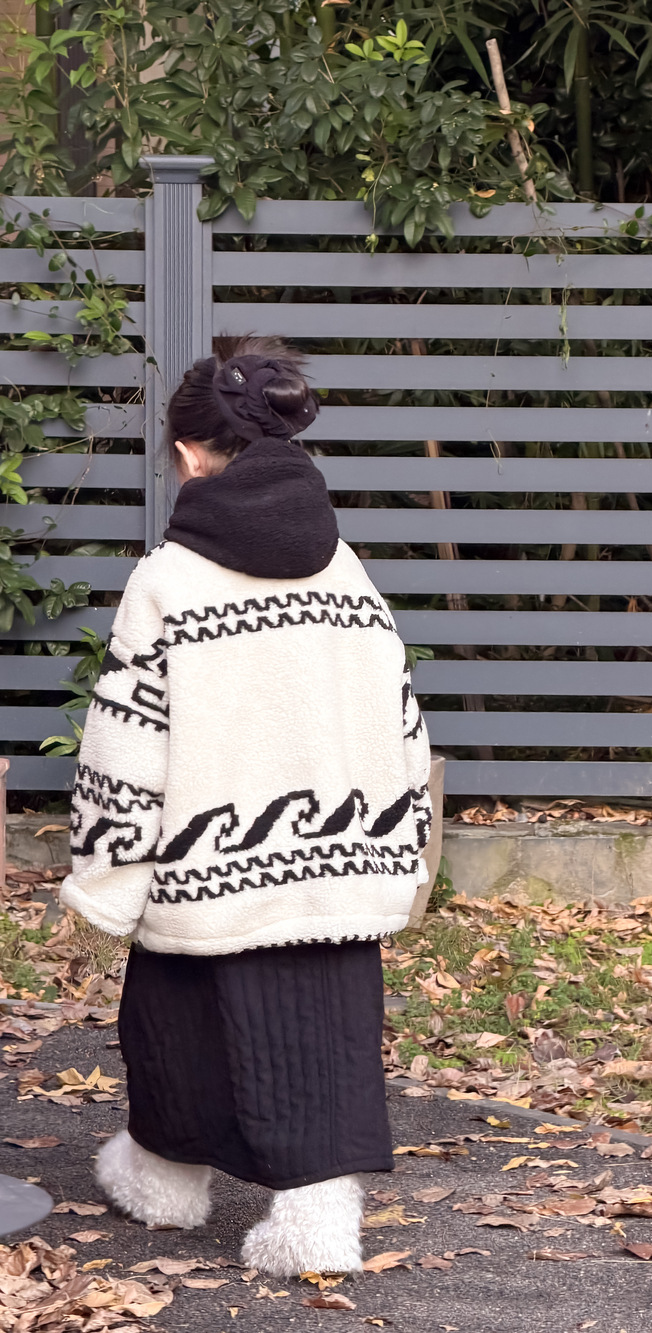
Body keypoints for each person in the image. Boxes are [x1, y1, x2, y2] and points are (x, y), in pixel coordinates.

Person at [59, 336, 432, 1277]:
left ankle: (189, 1189)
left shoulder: (169, 579)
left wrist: (108, 876)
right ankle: (285, 1207)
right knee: (324, 1037)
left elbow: (126, 742)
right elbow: (402, 718)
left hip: (207, 866)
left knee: (175, 1024)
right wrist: (404, 848)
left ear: (190, 457)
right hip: (339, 862)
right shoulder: (346, 571)